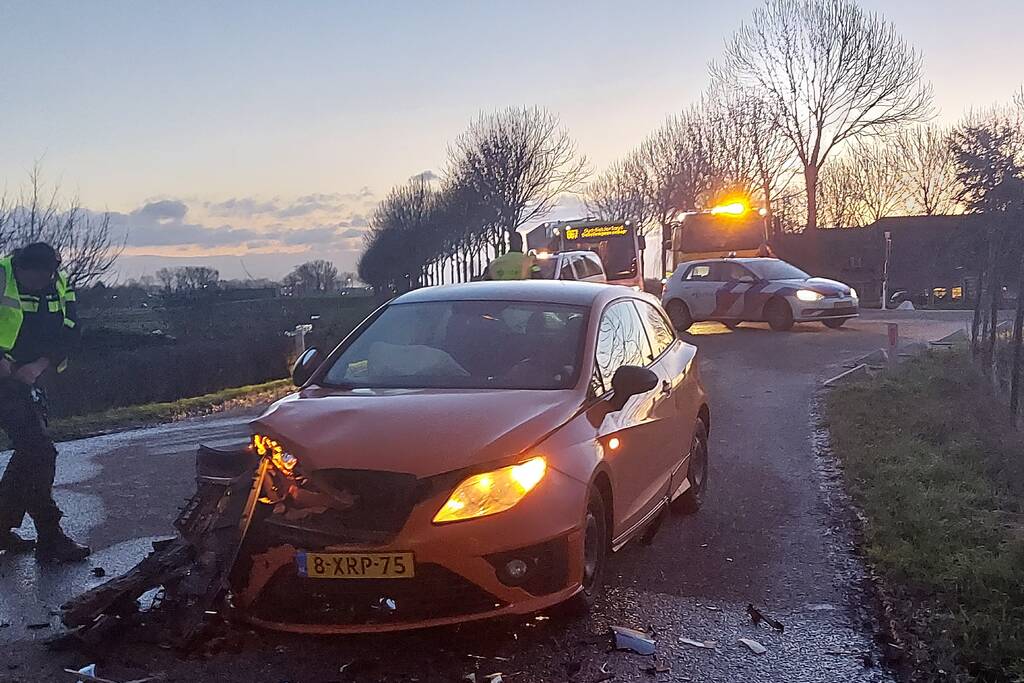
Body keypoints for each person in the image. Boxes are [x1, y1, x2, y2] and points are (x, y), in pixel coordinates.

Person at [0, 242, 89, 561]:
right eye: (36, 277)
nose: (42, 283)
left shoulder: (59, 282)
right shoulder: (2, 276)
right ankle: (50, 536)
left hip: (28, 377)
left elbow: (71, 330)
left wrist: (38, 366)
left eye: (48, 276)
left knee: (32, 452)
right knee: (39, 451)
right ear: (20, 268)